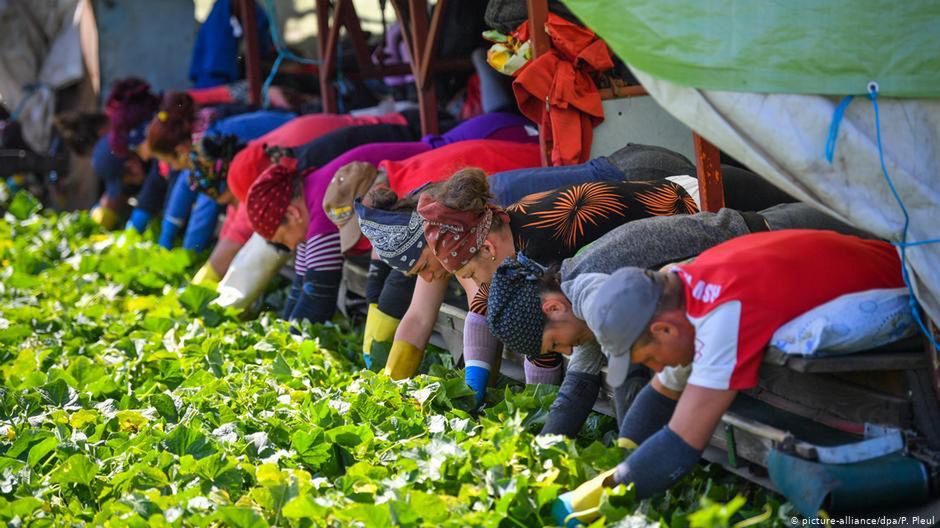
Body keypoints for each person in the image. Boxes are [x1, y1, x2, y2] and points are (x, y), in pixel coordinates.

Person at [550, 230, 903, 524]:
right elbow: (663, 391)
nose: (656, 369)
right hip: (879, 256)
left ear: (663, 330)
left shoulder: (723, 317)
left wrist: (590, 502)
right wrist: (621, 454)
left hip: (910, 282)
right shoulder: (683, 287)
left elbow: (681, 444)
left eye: (649, 359)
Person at [486, 204, 874, 436]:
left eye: (555, 344)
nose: (567, 351)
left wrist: (627, 460)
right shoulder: (577, 297)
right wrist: (548, 449)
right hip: (773, 254)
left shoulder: (595, 289)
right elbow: (581, 383)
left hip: (791, 231)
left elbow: (626, 385)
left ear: (552, 308)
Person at [365, 163, 702, 386]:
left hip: (696, 202)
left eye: (422, 268)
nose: (426, 278)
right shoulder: (493, 241)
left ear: (486, 251)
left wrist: (541, 403)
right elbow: (496, 309)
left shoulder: (540, 244)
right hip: (674, 227)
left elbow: (537, 329)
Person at [245, 139, 542, 324]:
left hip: (532, 158)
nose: (292, 248)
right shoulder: (395, 205)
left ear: (293, 214)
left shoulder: (430, 212)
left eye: (283, 241)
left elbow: (317, 297)